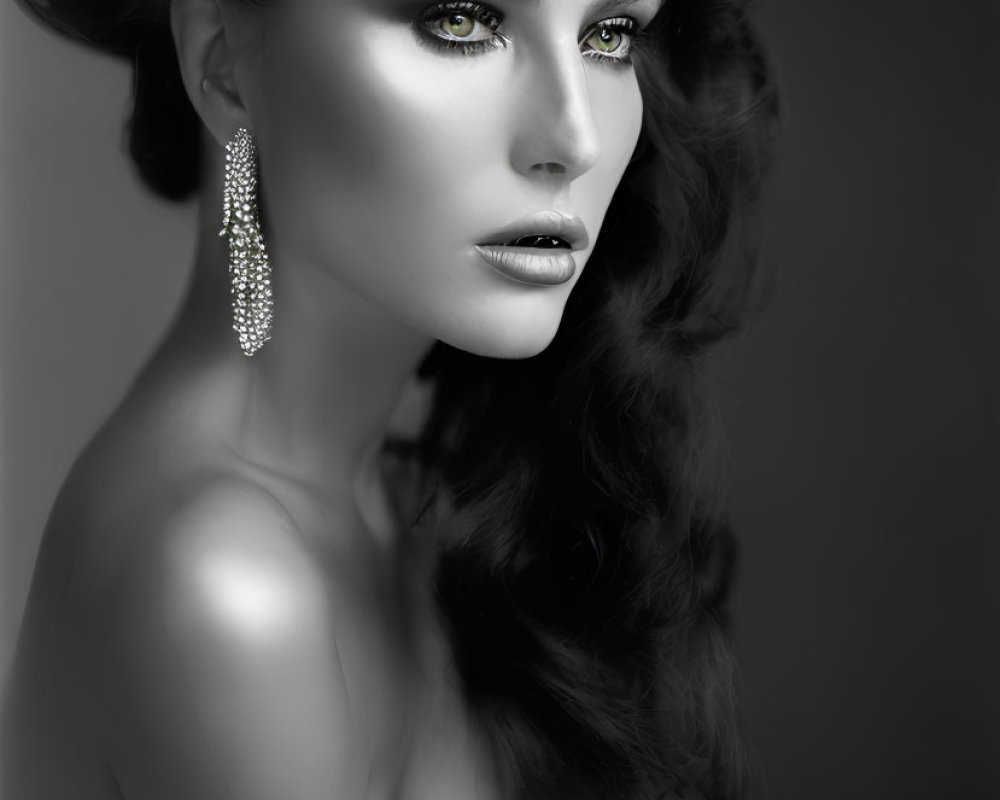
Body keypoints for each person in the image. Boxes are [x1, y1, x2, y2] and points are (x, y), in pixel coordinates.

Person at [1, 0, 777, 798]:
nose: (574, 138)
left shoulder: (408, 497)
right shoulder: (225, 591)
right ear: (224, 63)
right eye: (462, 23)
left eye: (607, 37)